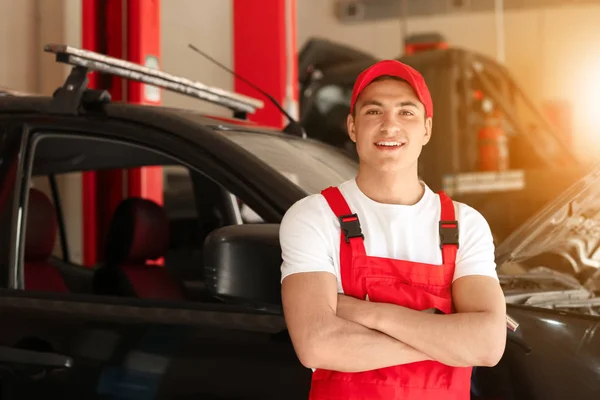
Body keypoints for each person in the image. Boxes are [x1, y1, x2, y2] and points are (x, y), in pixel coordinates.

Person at [279, 59, 507, 400]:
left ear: (427, 129)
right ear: (352, 127)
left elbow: (488, 345)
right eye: (373, 112)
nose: (389, 126)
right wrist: (445, 337)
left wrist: (367, 313)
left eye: (406, 112)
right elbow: (317, 345)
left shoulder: (464, 224)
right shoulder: (315, 216)